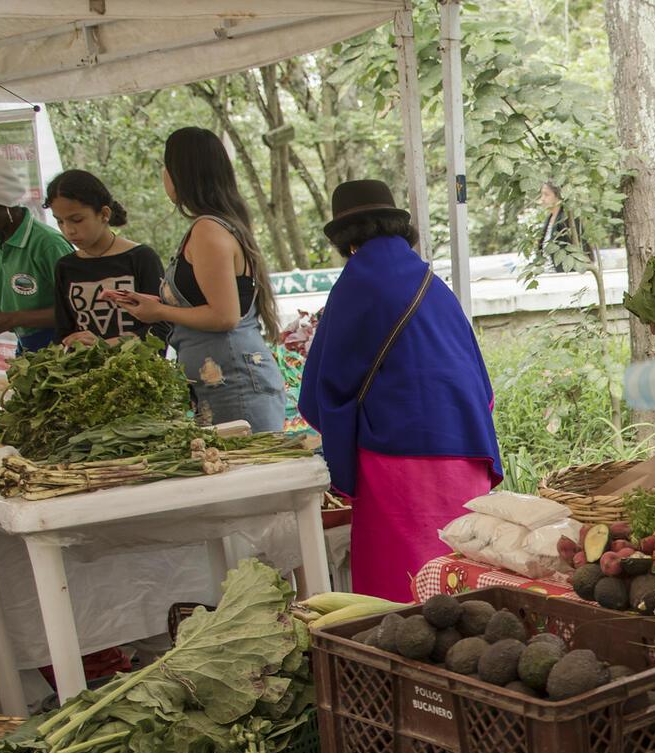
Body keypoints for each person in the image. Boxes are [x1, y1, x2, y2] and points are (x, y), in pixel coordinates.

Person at [297, 181, 502, 600]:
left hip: (399, 463)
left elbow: (326, 386)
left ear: (343, 238)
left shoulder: (356, 284)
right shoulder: (431, 283)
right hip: (465, 448)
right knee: (466, 577)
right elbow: (480, 381)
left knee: (406, 591)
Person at [103, 127, 286, 431]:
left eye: (166, 166)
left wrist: (160, 311)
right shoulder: (215, 226)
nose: (164, 174)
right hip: (219, 381)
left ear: (180, 174)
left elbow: (224, 316)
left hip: (234, 385)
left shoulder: (208, 231)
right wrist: (159, 301)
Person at [0, 153, 71, 354]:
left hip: (62, 351)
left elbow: (77, 310)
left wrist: (12, 318)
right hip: (28, 352)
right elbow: (13, 309)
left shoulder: (47, 244)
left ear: (5, 202)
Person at [44, 169, 169, 347]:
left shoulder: (141, 258)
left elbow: (162, 328)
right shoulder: (65, 266)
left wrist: (105, 345)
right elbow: (63, 333)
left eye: (77, 219)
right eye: (60, 221)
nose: (68, 230)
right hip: (86, 373)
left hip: (139, 371)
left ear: (104, 214)